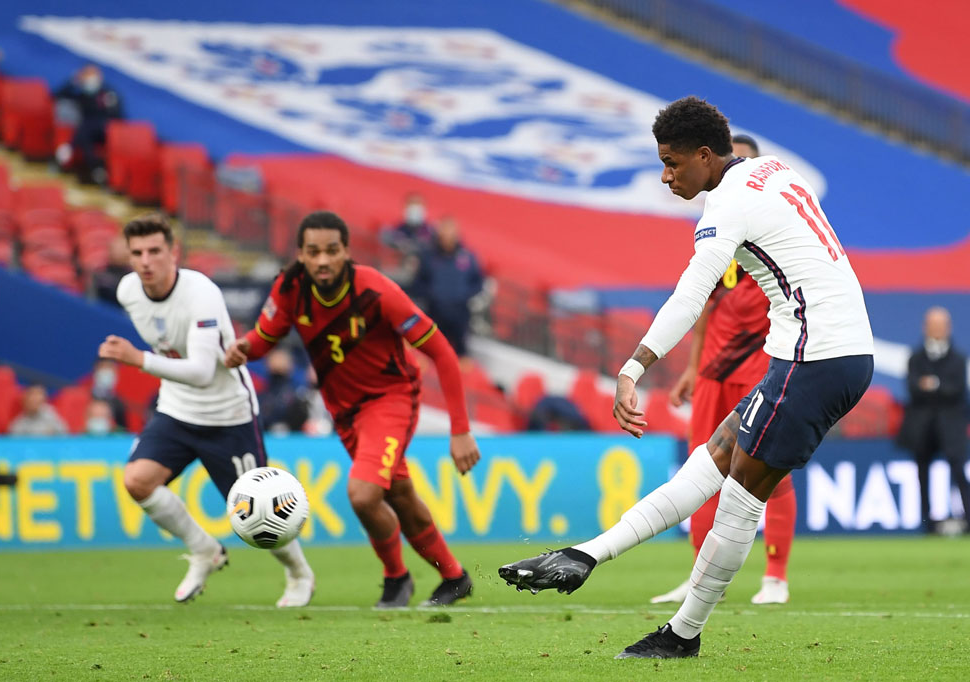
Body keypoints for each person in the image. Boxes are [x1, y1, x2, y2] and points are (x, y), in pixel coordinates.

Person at [499, 97, 874, 659]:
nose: (665, 174)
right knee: (715, 457)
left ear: (705, 155)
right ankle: (588, 554)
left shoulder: (726, 205)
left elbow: (689, 296)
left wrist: (632, 368)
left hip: (813, 356)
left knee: (741, 496)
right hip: (829, 350)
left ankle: (682, 634)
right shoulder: (774, 169)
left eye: (673, 162)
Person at [225, 210, 481, 608]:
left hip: (391, 397)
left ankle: (396, 579)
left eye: (332, 250)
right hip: (343, 409)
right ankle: (454, 577)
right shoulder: (290, 286)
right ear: (302, 255)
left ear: (346, 251)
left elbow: (442, 352)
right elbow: (264, 337)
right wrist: (245, 348)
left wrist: (460, 429)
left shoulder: (377, 291)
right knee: (398, 493)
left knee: (363, 495)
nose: (323, 260)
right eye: (314, 252)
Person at [97, 213, 315, 607]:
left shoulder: (202, 294)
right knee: (137, 481)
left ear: (174, 252)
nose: (145, 261)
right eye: (137, 253)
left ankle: (300, 573)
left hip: (227, 414)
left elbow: (200, 371)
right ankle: (204, 549)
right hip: (177, 410)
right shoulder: (129, 290)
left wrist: (138, 359)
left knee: (259, 516)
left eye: (154, 251)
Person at [651, 133, 796, 606]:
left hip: (761, 363)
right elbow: (705, 304)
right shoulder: (716, 229)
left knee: (773, 473)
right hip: (714, 369)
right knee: (701, 467)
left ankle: (775, 576)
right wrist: (692, 368)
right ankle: (696, 577)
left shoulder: (774, 224)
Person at [898, 306, 970, 533]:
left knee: (958, 471)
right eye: (932, 324)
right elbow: (912, 388)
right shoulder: (916, 358)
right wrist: (938, 386)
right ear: (925, 327)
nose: (937, 329)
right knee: (922, 474)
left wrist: (933, 384)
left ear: (948, 328)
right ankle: (926, 522)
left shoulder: (958, 359)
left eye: (941, 325)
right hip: (922, 427)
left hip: (951, 427)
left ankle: (967, 517)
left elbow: (956, 390)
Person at [410, 216, 484, 359]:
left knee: (458, 358)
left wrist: (463, 295)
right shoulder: (427, 256)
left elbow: (479, 283)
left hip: (460, 315)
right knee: (431, 354)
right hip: (434, 313)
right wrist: (433, 295)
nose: (448, 237)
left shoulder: (467, 257)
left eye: (451, 233)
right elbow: (417, 283)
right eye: (445, 233)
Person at [54, 63, 123, 185]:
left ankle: (70, 147)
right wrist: (73, 81)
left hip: (106, 130)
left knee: (87, 126)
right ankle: (96, 169)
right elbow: (57, 95)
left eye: (92, 76)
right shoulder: (82, 96)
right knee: (85, 136)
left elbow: (118, 114)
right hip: (89, 133)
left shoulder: (108, 93)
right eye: (87, 77)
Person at [258, 347, 309, 434]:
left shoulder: (297, 394)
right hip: (267, 436)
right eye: (276, 358)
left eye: (282, 359)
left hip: (293, 438)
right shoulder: (263, 395)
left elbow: (300, 419)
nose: (278, 362)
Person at [89, 358, 127, 429]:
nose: (106, 372)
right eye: (103, 367)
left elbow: (124, 432)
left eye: (110, 367)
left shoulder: (119, 404)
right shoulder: (85, 398)